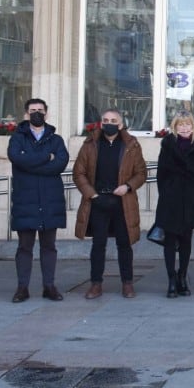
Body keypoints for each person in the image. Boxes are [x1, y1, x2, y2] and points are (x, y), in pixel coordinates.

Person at [73, 108, 146, 299]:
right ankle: (96, 284)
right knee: (98, 245)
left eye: (113, 120)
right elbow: (78, 172)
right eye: (105, 120)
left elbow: (141, 173)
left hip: (123, 201)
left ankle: (127, 284)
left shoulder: (131, 145)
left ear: (120, 124)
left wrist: (128, 186)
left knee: (125, 244)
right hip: (98, 201)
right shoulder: (90, 144)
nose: (109, 123)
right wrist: (92, 194)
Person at [7, 98, 68, 303]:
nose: (37, 113)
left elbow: (59, 164)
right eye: (33, 110)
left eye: (40, 110)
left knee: (48, 246)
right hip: (26, 199)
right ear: (26, 114)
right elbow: (17, 159)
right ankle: (22, 287)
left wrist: (32, 161)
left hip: (50, 200)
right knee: (25, 247)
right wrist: (46, 158)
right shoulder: (17, 138)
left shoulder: (56, 140)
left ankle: (49, 286)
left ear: (46, 113)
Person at [154, 110, 194, 298]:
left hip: (191, 201)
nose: (185, 128)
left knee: (186, 241)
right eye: (181, 124)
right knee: (169, 241)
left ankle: (182, 277)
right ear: (175, 127)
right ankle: (171, 280)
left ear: (193, 126)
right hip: (170, 201)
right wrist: (168, 194)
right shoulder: (168, 144)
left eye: (188, 124)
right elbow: (161, 174)